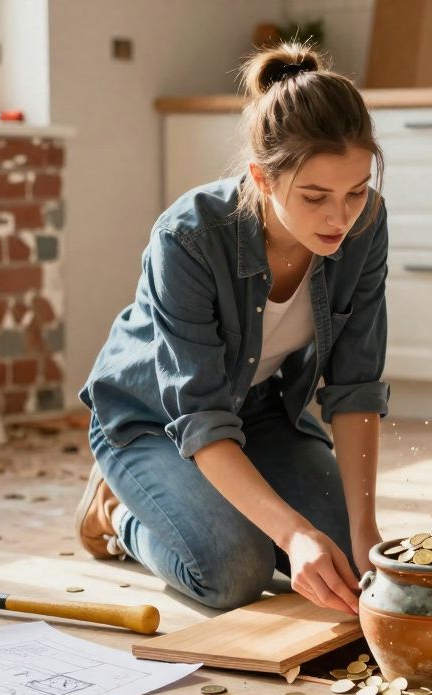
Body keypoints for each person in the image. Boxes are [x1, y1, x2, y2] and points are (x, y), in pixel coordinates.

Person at [74, 42, 390, 615]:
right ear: (262, 181)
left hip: (261, 412)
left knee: (350, 556)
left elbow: (356, 386)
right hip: (153, 420)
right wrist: (293, 536)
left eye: (356, 191)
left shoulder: (365, 225)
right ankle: (116, 512)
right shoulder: (188, 238)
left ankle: (244, 518)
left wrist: (365, 531)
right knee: (233, 571)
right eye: (315, 197)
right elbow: (198, 415)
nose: (340, 218)